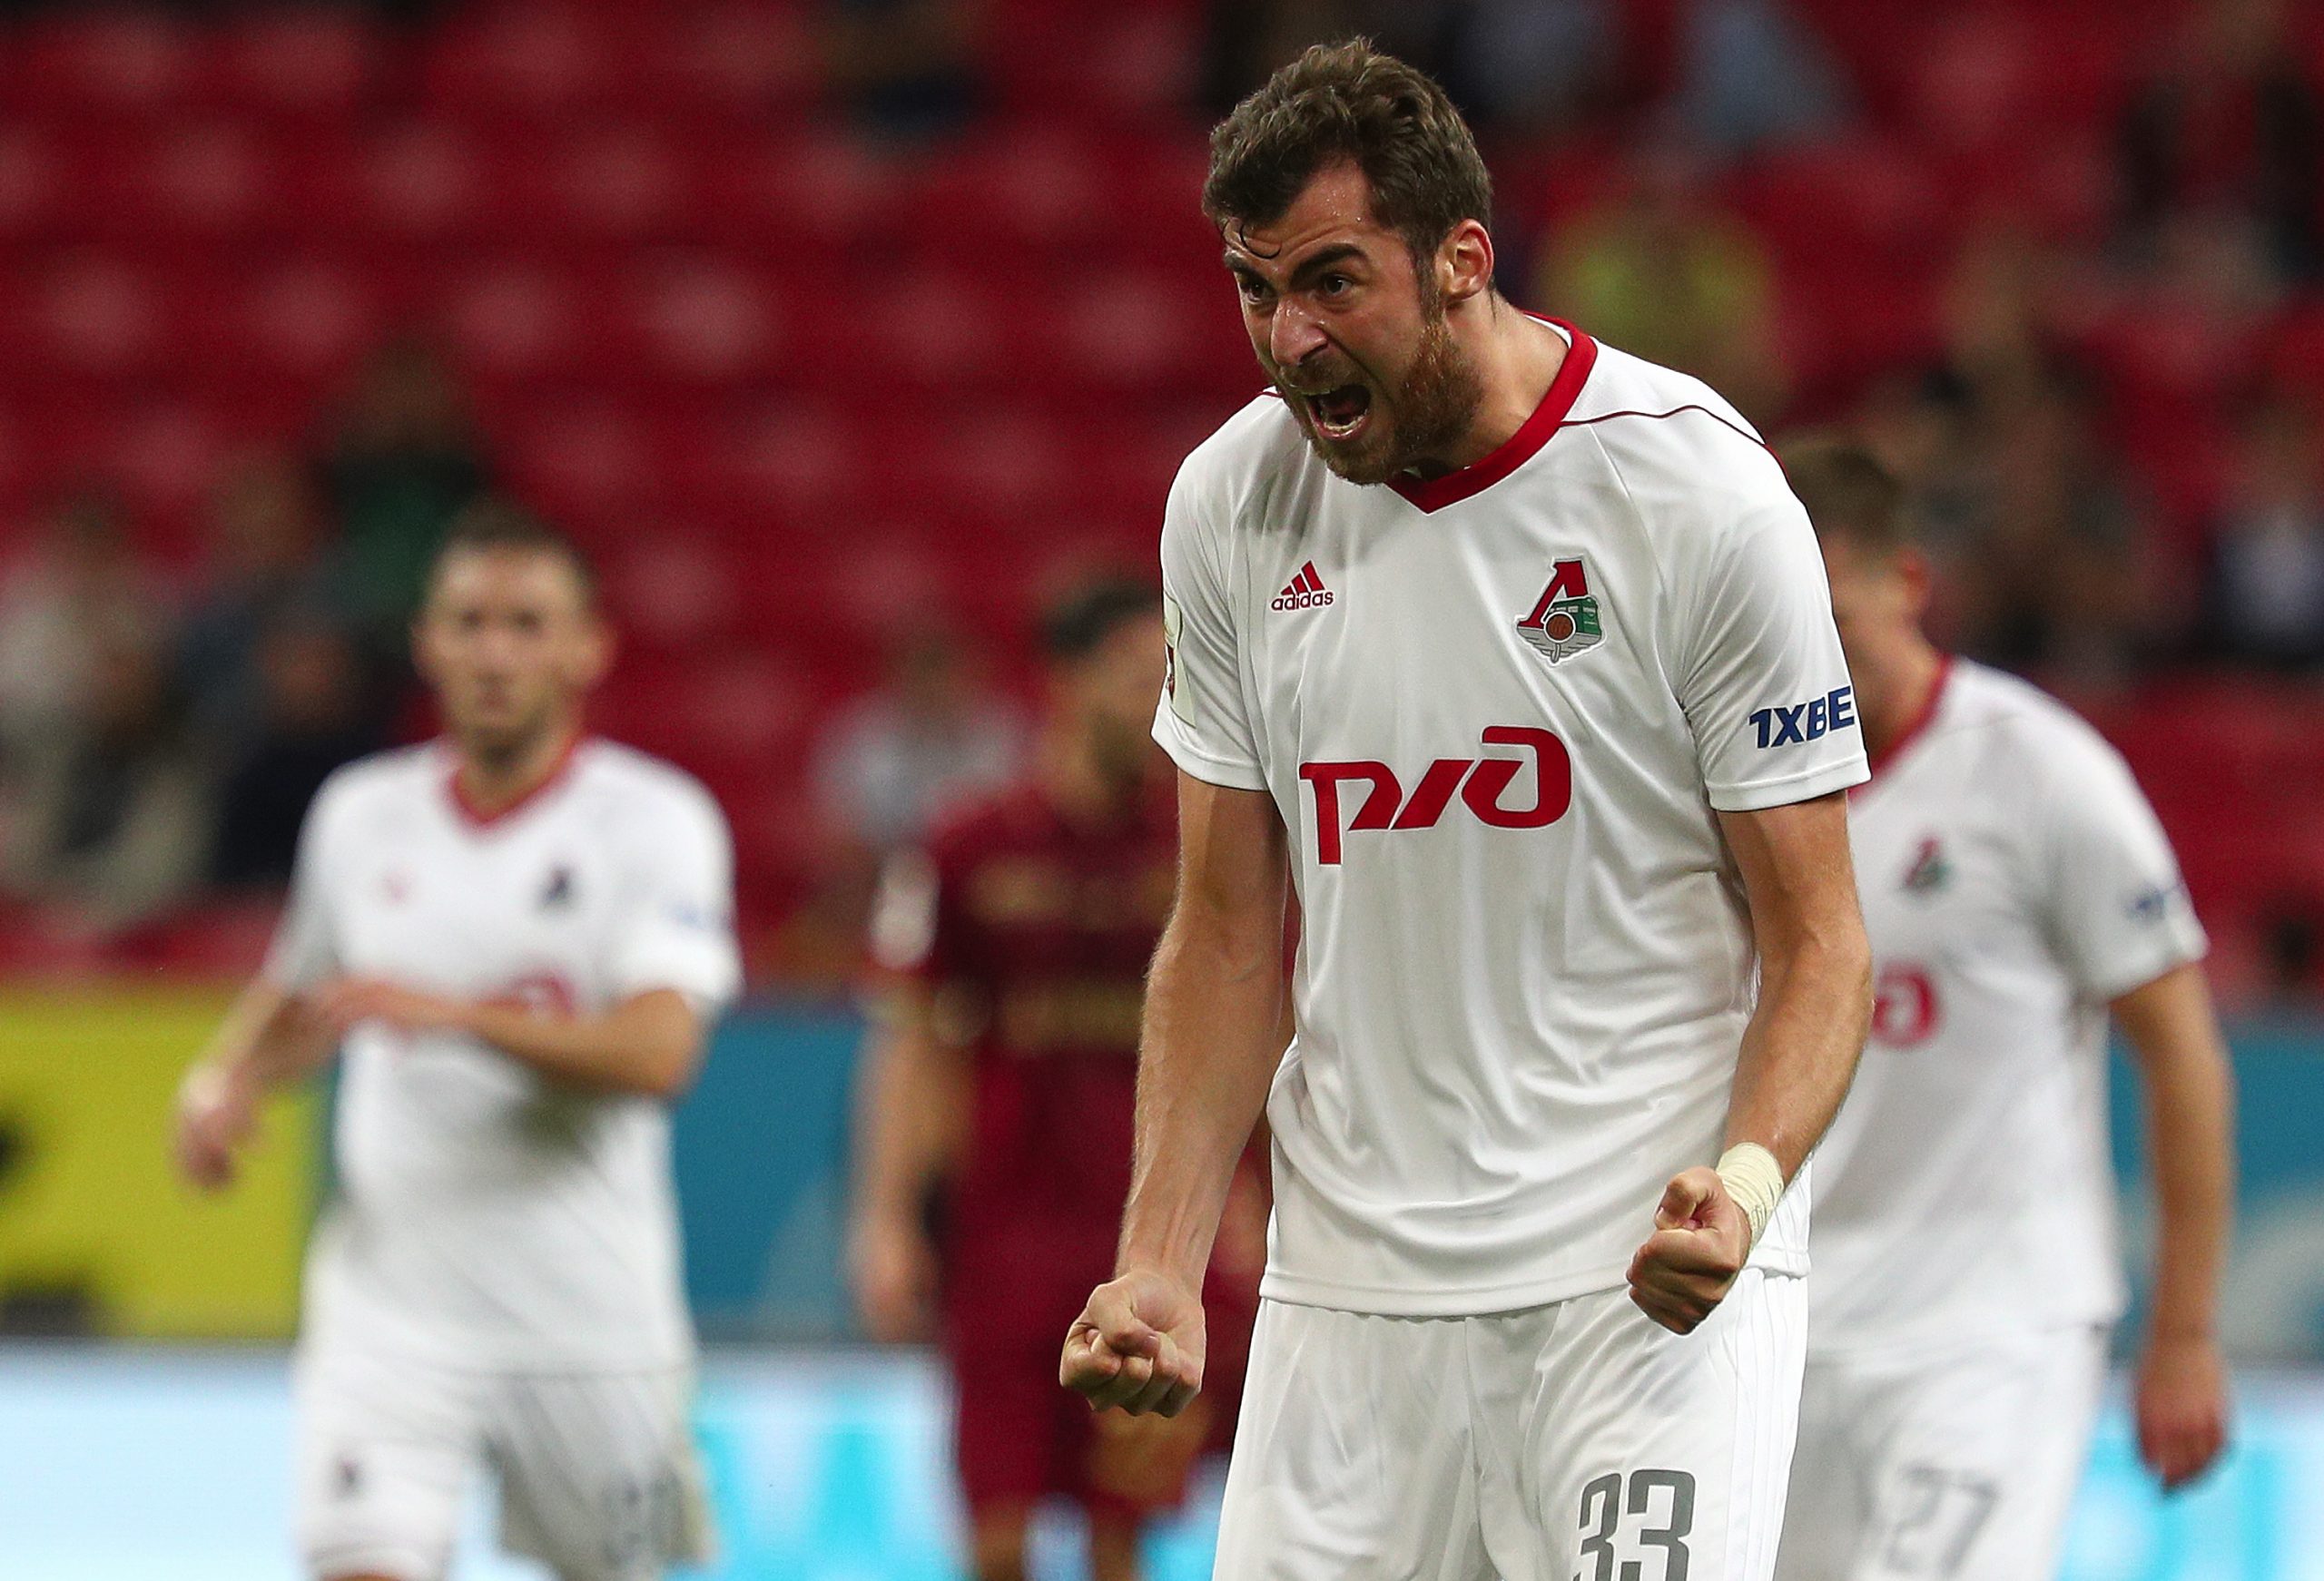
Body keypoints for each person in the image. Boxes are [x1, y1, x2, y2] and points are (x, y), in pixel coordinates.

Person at [1059, 41, 1875, 1580]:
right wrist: (1159, 1260)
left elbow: (1824, 937)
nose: (1288, 337)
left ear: (1460, 261)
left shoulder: (1692, 496)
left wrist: (1749, 1183)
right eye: (1251, 288)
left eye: (1331, 281)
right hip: (1346, 1307)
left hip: (1639, 1295)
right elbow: (1229, 932)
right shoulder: (1229, 508)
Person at [172, 506, 742, 1581]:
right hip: (389, 1319)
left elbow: (661, 1054)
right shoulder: (358, 814)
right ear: (427, 643)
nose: (494, 651)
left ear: (588, 647)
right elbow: (306, 989)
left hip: (587, 1329)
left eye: (528, 623)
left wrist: (458, 1015)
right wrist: (225, 1080)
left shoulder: (656, 823)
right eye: (469, 621)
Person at [1774, 439, 2237, 1581]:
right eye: (1778, 615)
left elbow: (2180, 1052)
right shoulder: (1738, 793)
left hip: (1988, 1325)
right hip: (1781, 1321)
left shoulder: (2037, 771)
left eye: (1828, 608)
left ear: (1907, 583)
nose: (1804, 647)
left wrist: (2179, 1335)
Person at [850, 578, 1263, 1581]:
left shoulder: (1196, 842)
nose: (1158, 700)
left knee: (1124, 1531)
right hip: (1005, 1236)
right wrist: (887, 1218)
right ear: (1063, 682)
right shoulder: (965, 845)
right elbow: (915, 1042)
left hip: (1155, 1232)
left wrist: (1254, 1190)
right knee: (998, 1530)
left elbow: (1253, 1024)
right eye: (1135, 675)